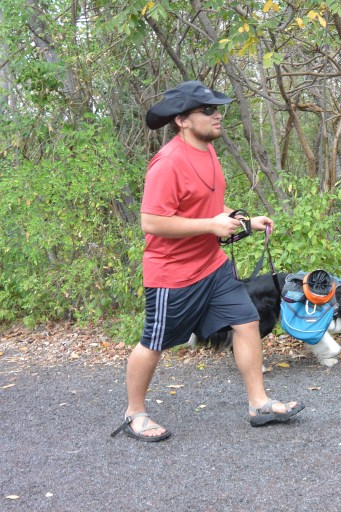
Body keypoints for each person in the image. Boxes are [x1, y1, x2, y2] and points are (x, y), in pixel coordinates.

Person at [111, 81, 303, 442]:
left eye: (218, 109)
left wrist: (244, 220)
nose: (218, 116)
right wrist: (211, 225)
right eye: (209, 111)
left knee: (246, 320)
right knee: (154, 341)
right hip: (173, 273)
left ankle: (258, 403)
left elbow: (209, 205)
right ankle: (134, 413)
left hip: (212, 266)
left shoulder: (208, 152)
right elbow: (151, 221)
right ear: (182, 120)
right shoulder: (167, 163)